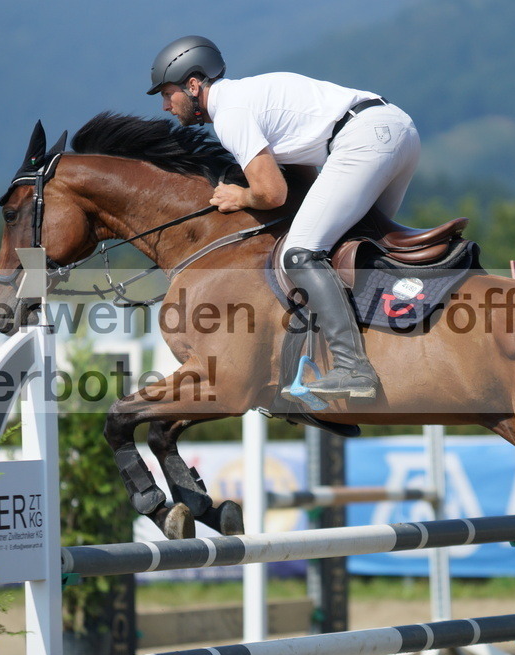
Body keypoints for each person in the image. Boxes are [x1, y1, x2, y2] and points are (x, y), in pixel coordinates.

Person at [147, 35, 421, 401]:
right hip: (397, 129)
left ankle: (353, 367)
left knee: (300, 254)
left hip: (366, 140)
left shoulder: (230, 115)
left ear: (193, 85)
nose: (166, 105)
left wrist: (239, 195)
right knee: (349, 244)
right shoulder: (249, 96)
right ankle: (388, 342)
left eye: (168, 94)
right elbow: (302, 181)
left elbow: (272, 192)